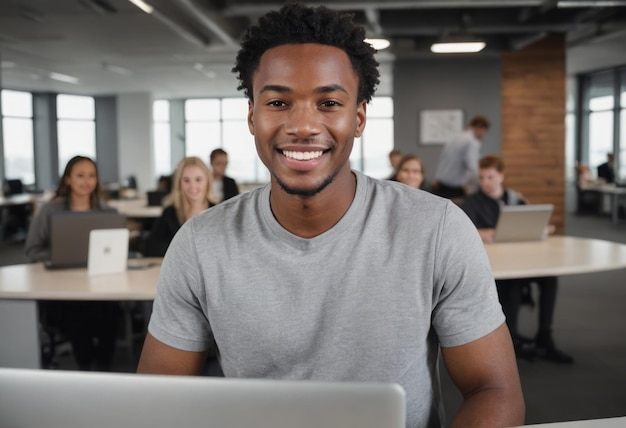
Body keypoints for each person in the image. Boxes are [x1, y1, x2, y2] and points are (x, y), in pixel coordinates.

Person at [137, 4, 524, 427]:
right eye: (279, 102)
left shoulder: (437, 230)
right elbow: (157, 403)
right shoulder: (199, 244)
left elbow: (495, 391)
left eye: (328, 103)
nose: (303, 125)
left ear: (358, 118)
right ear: (252, 116)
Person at [461, 155, 574, 364]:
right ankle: (509, 339)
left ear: (501, 176)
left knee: (550, 279)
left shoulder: (515, 199)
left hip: (521, 259)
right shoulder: (473, 202)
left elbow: (528, 224)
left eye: (490, 177)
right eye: (482, 177)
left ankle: (544, 337)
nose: (485, 182)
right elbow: (467, 232)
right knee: (511, 283)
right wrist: (490, 233)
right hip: (495, 265)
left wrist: (542, 228)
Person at [24, 155, 121, 371]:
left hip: (100, 285)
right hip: (64, 287)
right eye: (80, 175)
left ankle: (105, 371)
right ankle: (85, 370)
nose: (86, 181)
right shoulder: (50, 211)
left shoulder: (107, 212)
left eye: (91, 176)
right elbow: (31, 250)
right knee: (78, 317)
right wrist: (57, 256)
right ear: (67, 179)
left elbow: (115, 249)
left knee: (112, 315)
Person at [143, 157, 215, 257]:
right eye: (186, 180)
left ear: (208, 181)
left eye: (198, 180)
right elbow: (151, 248)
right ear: (179, 183)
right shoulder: (170, 213)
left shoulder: (218, 212)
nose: (192, 186)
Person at [433, 115, 490, 200]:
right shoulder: (472, 142)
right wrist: (482, 182)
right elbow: (473, 167)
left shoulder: (455, 138)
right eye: (484, 131)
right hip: (454, 189)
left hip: (440, 185)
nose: (483, 135)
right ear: (480, 128)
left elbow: (443, 159)